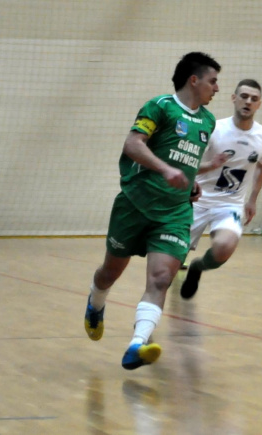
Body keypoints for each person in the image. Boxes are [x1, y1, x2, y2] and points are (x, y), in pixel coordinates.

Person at [84, 52, 221, 370]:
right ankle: (96, 303)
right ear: (194, 79)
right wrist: (164, 170)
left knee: (161, 279)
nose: (216, 89)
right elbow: (133, 144)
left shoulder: (208, 121)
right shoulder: (160, 106)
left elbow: (182, 162)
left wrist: (194, 178)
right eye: (213, 81)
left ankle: (137, 345)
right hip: (135, 204)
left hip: (175, 212)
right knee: (110, 272)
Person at [179, 79, 262, 300]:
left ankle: (197, 268)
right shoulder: (214, 129)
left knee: (224, 247)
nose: (248, 102)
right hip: (197, 200)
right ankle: (146, 325)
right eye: (243, 96)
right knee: (167, 264)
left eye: (254, 99)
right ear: (234, 98)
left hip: (229, 204)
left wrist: (252, 200)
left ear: (259, 104)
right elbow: (189, 163)